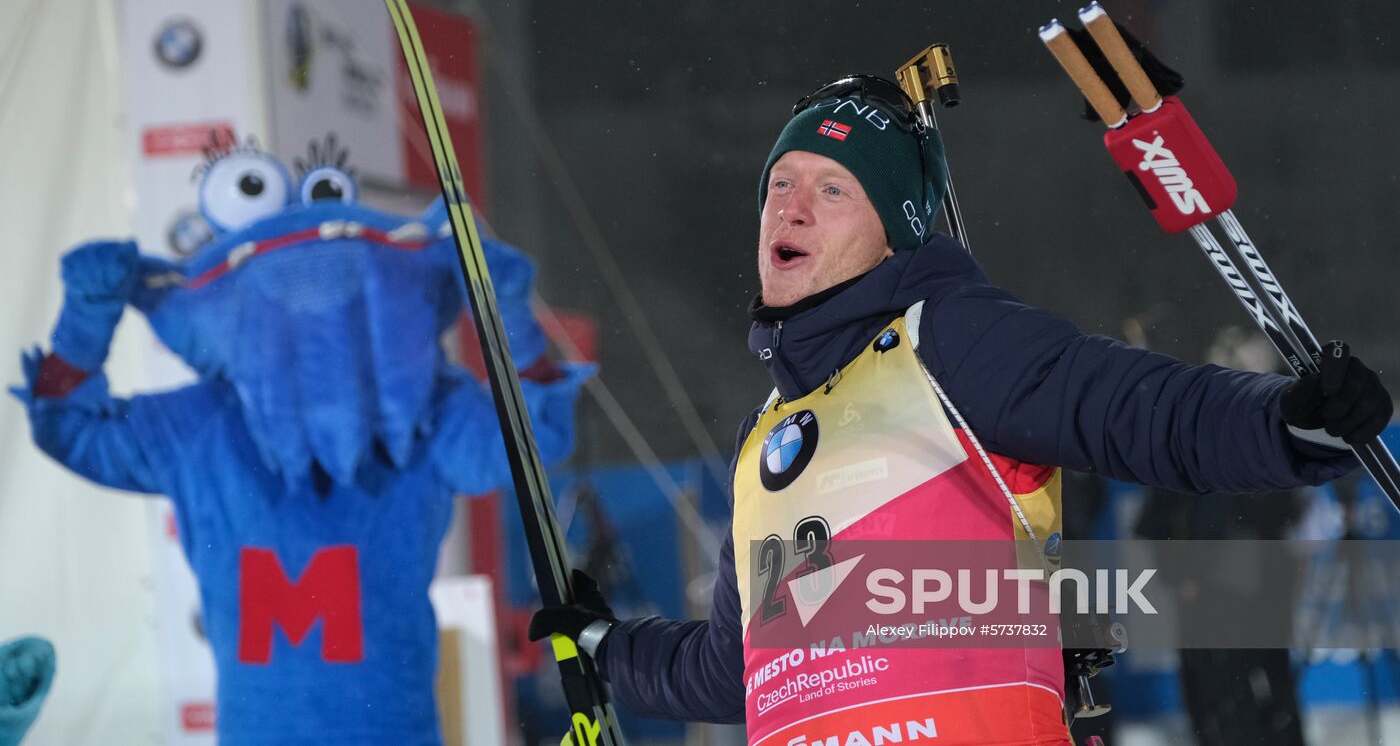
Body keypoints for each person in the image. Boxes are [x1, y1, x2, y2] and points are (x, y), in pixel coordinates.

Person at [529, 76, 1392, 746]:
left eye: (833, 190)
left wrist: (1287, 422)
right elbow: (734, 669)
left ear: (894, 230)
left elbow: (1131, 406)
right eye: (781, 183)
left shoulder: (944, 339)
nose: (789, 205)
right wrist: (607, 647)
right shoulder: (767, 437)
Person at [14, 140, 592, 746]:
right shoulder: (210, 423)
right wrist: (82, 323)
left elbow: (534, 441)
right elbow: (71, 432)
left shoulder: (420, 413)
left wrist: (515, 325)